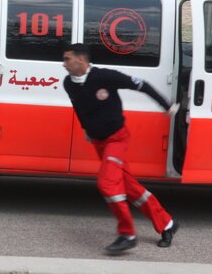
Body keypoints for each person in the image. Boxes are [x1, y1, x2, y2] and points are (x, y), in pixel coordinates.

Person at [62, 43, 180, 253]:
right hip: (99, 143)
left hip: (117, 139)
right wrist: (86, 129)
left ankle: (127, 233)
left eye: (67, 59)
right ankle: (167, 223)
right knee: (129, 187)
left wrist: (167, 105)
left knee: (107, 184)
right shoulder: (68, 83)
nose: (64, 64)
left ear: (81, 60)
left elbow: (140, 85)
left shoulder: (104, 77)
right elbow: (79, 107)